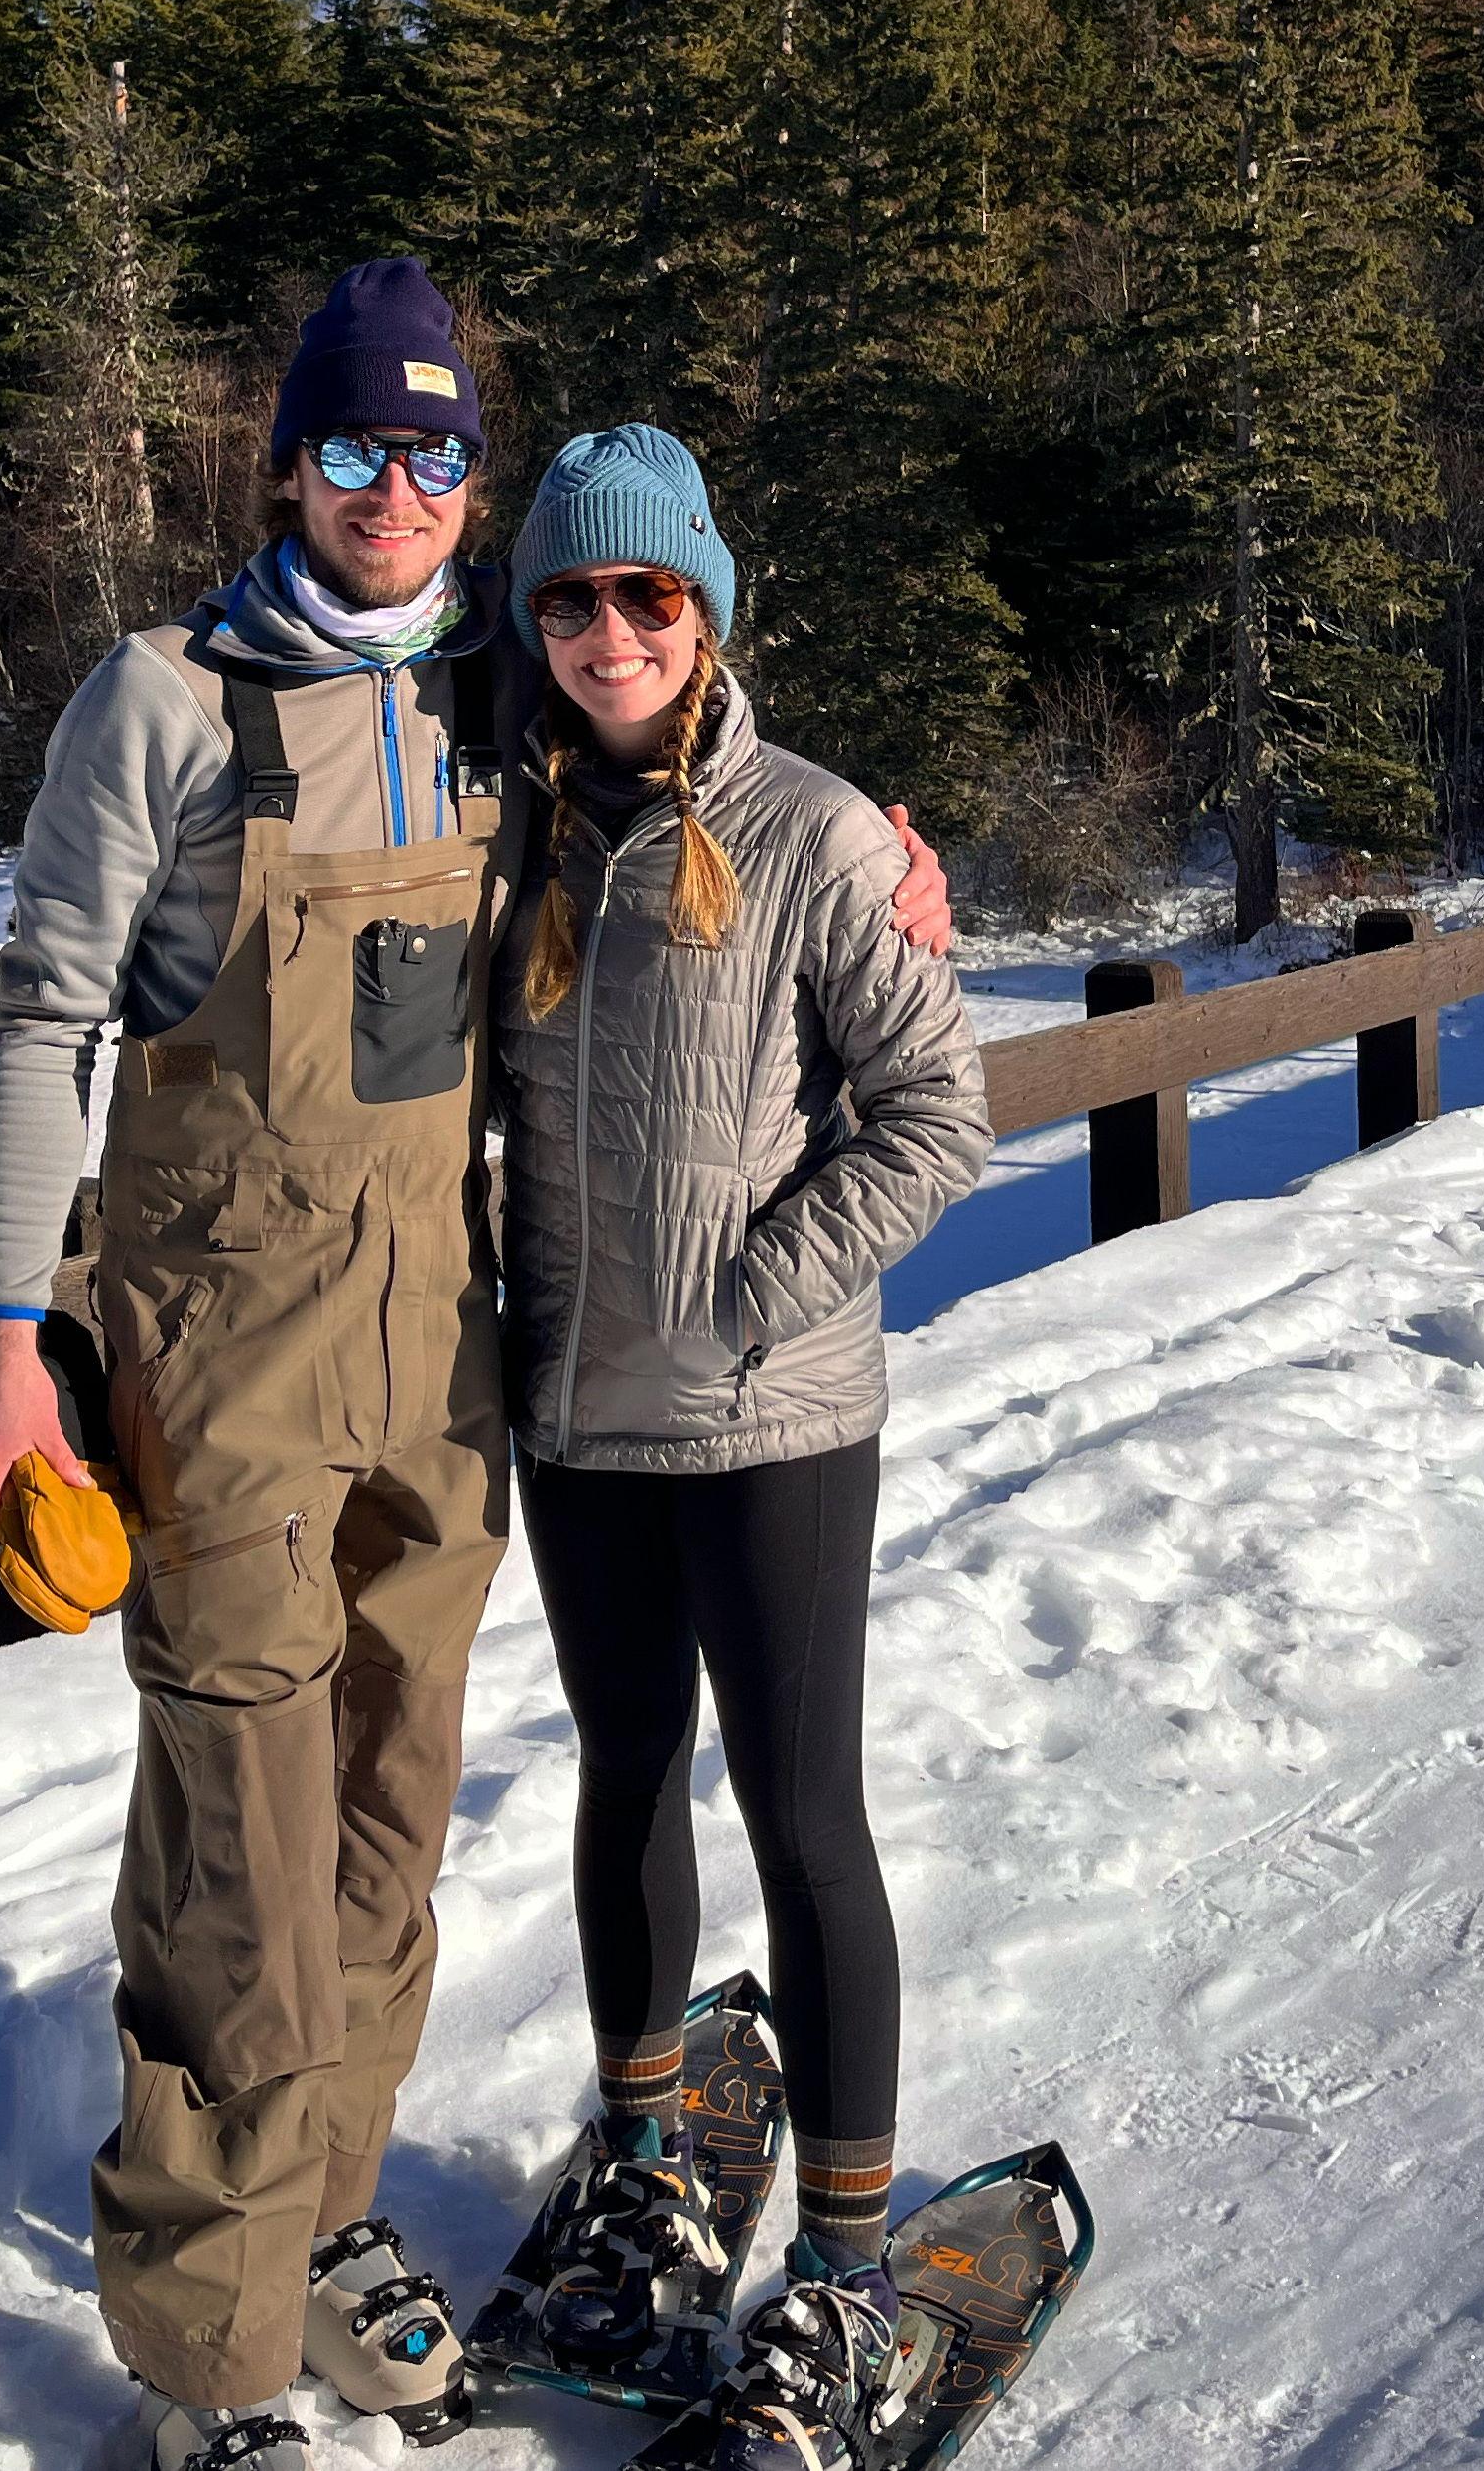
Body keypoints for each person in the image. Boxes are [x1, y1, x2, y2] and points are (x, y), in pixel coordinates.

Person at [0, 264, 954, 2471]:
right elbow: (42, 1025)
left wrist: (878, 854)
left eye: (430, 456)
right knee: (238, 1846)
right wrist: (3, 1340)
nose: (389, 491)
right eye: (348, 448)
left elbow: (683, 731)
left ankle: (315, 2224)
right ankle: (207, 2362)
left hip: (448, 1361)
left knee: (392, 1826)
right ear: (283, 463)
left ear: (465, 489)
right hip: (216, 1362)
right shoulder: (167, 704)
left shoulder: (504, 697)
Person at [484, 425, 994, 2470]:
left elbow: (938, 1113)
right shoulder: (503, 836)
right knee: (621, 1779)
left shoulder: (811, 835)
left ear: (706, 616)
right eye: (575, 599)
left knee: (802, 1817)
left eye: (650, 598)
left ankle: (845, 2280)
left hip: (767, 1424)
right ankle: (645, 2166)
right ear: (533, 622)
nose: (612, 633)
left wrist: (757, 1295)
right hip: (576, 1424)